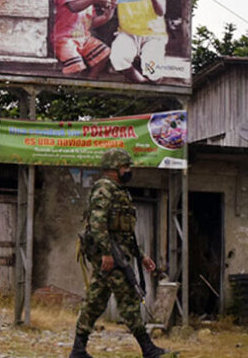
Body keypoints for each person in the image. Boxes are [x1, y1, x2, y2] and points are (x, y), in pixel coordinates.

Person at [69, 148, 168, 358]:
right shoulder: (104, 188)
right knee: (129, 299)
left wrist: (141, 256)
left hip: (119, 254)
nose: (129, 170)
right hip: (110, 256)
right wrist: (106, 253)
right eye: (126, 167)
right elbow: (97, 224)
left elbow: (126, 233)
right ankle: (148, 349)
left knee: (95, 301)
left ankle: (78, 350)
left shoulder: (120, 191)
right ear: (114, 169)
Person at [53, 0, 116, 78]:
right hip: (65, 39)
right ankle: (68, 89)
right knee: (76, 66)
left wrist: (106, 16)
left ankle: (91, 79)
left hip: (84, 38)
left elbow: (91, 22)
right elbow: (73, 7)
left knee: (104, 53)